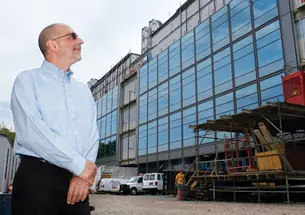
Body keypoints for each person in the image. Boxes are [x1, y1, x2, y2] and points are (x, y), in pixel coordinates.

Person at [10, 23, 100, 215]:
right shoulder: (27, 81)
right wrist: (81, 166)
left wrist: (84, 176)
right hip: (38, 180)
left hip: (77, 182)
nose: (80, 41)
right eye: (73, 36)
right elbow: (32, 132)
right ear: (53, 45)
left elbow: (92, 135)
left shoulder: (84, 91)